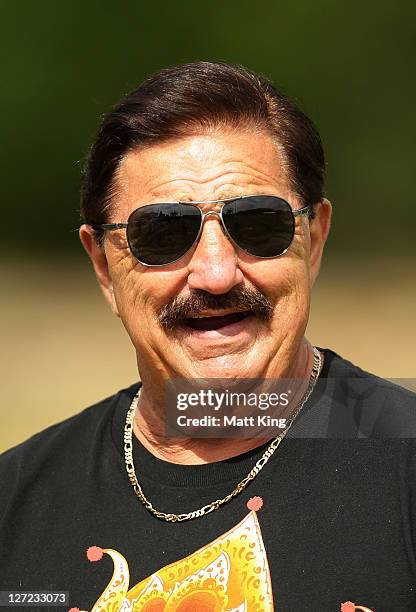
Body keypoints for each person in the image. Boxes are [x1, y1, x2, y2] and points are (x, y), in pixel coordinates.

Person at [0, 62, 415, 612]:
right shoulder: (14, 505)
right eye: (162, 233)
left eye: (259, 224)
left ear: (313, 240)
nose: (216, 273)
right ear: (102, 265)